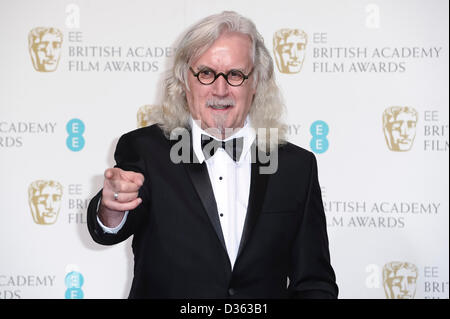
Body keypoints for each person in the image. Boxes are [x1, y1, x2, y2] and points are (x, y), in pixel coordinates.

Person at [87, 11, 338, 299]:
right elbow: (110, 229)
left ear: (256, 82)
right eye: (206, 73)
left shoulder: (296, 167)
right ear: (184, 80)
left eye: (235, 75)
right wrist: (113, 207)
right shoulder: (145, 150)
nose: (220, 90)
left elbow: (314, 282)